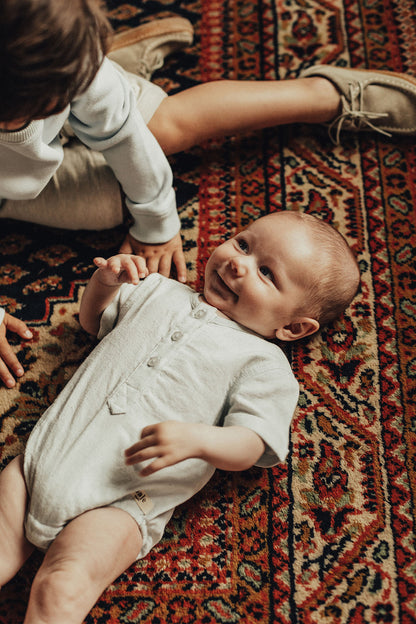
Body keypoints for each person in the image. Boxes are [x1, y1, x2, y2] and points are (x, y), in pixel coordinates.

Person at [1, 0, 416, 389]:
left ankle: (324, 94)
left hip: (39, 108)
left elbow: (126, 138)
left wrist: (156, 220)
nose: (237, 263)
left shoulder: (80, 71)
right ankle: (127, 71)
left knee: (160, 130)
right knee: (107, 203)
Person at [0, 210, 360, 622]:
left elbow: (253, 442)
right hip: (41, 460)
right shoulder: (158, 290)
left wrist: (200, 440)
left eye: (266, 273)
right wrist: (105, 283)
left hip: (122, 501)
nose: (237, 263)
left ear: (294, 328)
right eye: (243, 243)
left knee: (62, 585)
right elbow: (92, 320)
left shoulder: (263, 362)